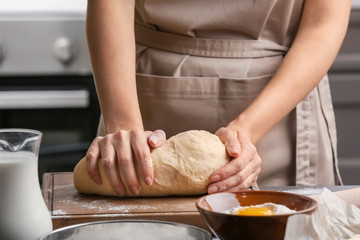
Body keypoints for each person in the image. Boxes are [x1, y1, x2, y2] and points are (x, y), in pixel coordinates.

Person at [84, 0, 352, 196]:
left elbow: (323, 23)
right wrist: (123, 124)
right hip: (141, 102)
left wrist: (247, 129)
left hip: (279, 107)